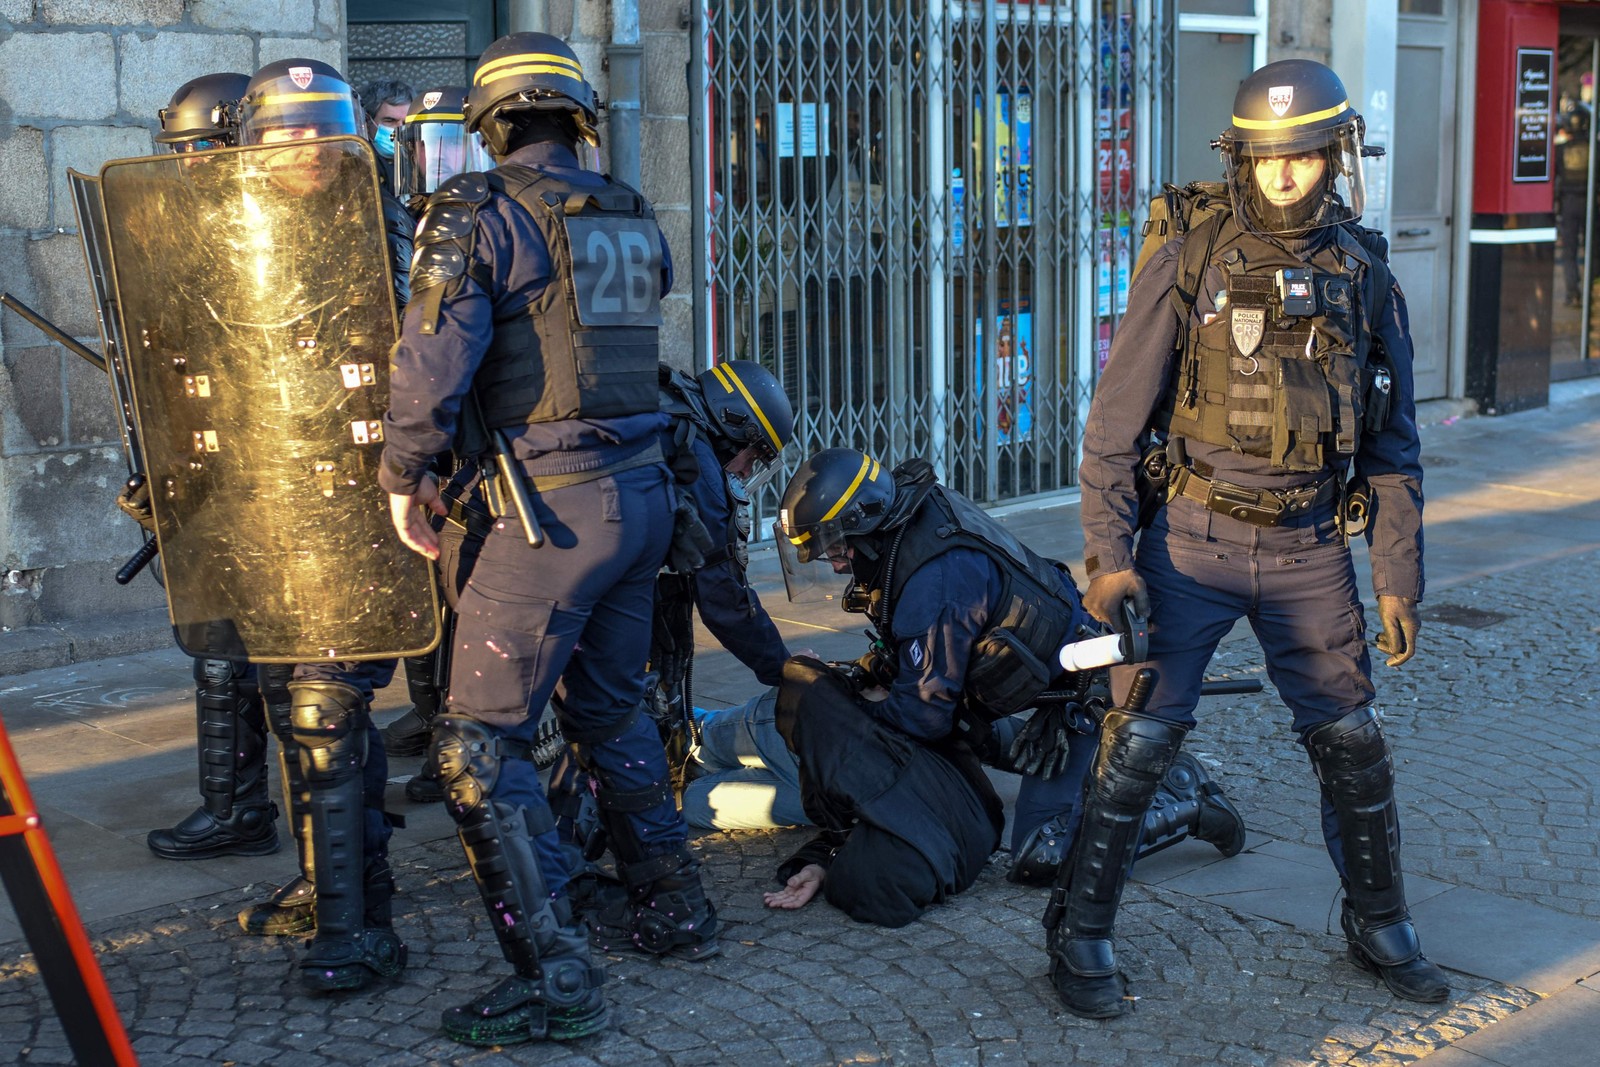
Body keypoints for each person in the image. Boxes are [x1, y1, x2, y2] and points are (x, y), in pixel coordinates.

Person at [1063, 58, 1447, 1019]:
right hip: (1190, 544)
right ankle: (1080, 930)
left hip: (1313, 549)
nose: (1286, 175)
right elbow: (1111, 429)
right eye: (1270, 157)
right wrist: (1110, 564)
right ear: (1244, 157)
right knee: (1140, 740)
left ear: (1334, 155)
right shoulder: (1188, 259)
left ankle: (1380, 920)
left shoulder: (1365, 275)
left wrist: (1395, 572)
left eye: (1306, 155)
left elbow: (1394, 444)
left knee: (1352, 739)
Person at [382, 32, 715, 1047]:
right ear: (575, 113)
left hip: (550, 509)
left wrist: (404, 473)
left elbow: (435, 357)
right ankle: (672, 899)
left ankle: (555, 972)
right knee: (611, 709)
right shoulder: (625, 207)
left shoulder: (474, 211)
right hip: (641, 494)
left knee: (477, 741)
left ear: (489, 123)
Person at [768, 448, 1243, 927]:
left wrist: (855, 713)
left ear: (866, 529)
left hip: (1078, 695)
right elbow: (921, 660)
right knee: (953, 726)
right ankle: (1101, 767)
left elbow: (923, 717)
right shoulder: (911, 523)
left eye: (835, 547)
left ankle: (1186, 800)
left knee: (1041, 850)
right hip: (1030, 688)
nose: (832, 564)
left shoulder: (934, 582)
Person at [223, 58, 412, 994]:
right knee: (291, 709)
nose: (304, 147)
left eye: (320, 129)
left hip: (368, 501)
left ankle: (353, 928)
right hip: (268, 502)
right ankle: (336, 879)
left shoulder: (391, 233)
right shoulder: (227, 236)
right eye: (284, 131)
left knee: (326, 708)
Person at [138, 73, 288, 864]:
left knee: (273, 665)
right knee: (222, 648)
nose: (189, 165)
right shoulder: (203, 230)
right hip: (217, 470)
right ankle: (237, 806)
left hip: (284, 479)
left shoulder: (281, 230)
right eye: (182, 151)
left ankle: (250, 815)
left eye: (199, 147)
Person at [377, 85, 494, 804]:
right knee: (427, 589)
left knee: (461, 595)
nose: (435, 166)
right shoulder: (402, 223)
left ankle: (453, 732)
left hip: (466, 442)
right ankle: (431, 721)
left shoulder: (480, 226)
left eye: (449, 147)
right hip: (423, 433)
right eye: (423, 148)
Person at [358, 78, 413, 189]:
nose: (400, 129)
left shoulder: (420, 164)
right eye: (390, 121)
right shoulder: (356, 166)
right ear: (368, 121)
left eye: (406, 123)